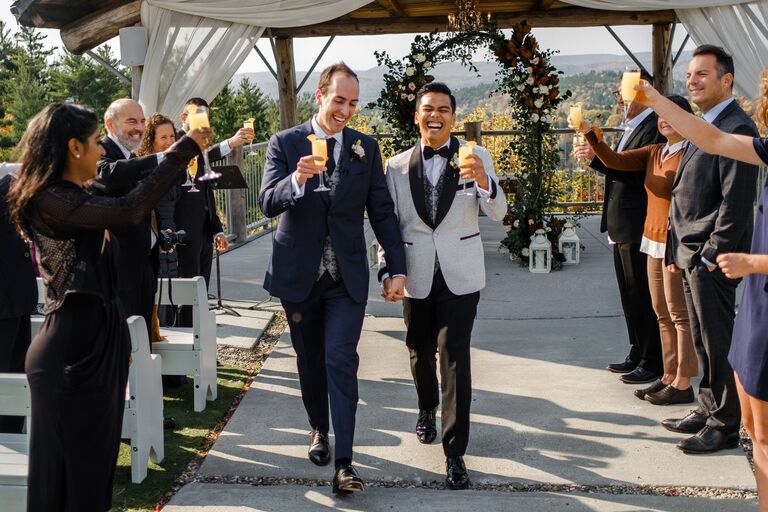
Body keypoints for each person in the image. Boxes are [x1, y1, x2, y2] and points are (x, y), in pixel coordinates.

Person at [6, 102, 207, 511]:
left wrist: (172, 154)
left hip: (98, 340)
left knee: (92, 476)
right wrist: (182, 150)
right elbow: (129, 209)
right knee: (71, 481)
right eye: (97, 142)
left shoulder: (75, 191)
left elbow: (127, 185)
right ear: (74, 147)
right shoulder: (50, 199)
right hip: (70, 352)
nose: (102, 151)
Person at [258, 62, 406, 494]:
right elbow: (267, 202)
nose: (346, 110)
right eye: (339, 100)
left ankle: (345, 464)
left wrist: (396, 266)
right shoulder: (283, 143)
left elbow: (381, 210)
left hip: (346, 276)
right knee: (309, 360)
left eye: (353, 103)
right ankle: (318, 428)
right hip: (299, 276)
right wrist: (296, 179)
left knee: (340, 359)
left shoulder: (366, 147)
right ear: (320, 96)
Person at [636, 60, 768, 509]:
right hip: (692, 252)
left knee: (719, 337)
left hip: (717, 257)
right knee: (703, 338)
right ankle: (710, 407)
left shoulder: (738, 125)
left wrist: (712, 253)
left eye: (701, 75)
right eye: (688, 75)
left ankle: (725, 423)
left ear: (727, 79)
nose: (691, 81)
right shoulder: (707, 125)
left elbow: (735, 200)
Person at [379, 82, 506, 489]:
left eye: (444, 110)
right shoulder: (396, 167)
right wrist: (387, 271)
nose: (436, 116)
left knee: (454, 357)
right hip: (415, 274)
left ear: (453, 115)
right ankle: (425, 408)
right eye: (428, 109)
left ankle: (455, 453)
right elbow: (389, 228)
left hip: (461, 274)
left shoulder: (477, 156)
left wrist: (485, 181)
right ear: (416, 115)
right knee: (419, 350)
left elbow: (500, 212)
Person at [570, 96, 698, 406]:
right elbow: (615, 161)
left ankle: (684, 380)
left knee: (679, 315)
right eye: (662, 115)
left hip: (673, 242)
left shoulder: (692, 153)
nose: (664, 119)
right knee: (661, 312)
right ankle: (668, 375)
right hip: (650, 238)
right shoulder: (656, 151)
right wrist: (590, 133)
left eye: (672, 114)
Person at [575, 74, 664, 385]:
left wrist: (596, 156)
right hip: (620, 222)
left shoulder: (657, 126)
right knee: (629, 295)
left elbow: (636, 173)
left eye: (623, 93)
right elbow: (618, 164)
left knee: (642, 294)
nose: (618, 99)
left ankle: (653, 360)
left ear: (644, 93)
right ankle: (637, 350)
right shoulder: (633, 127)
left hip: (636, 221)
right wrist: (596, 153)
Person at [174, 98, 252, 326]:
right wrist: (230, 142)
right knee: (187, 292)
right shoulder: (175, 142)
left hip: (203, 231)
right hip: (182, 230)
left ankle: (199, 338)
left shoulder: (200, 147)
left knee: (200, 288)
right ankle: (186, 338)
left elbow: (208, 193)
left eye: (205, 115)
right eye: (197, 114)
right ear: (183, 118)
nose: (202, 120)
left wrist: (216, 229)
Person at [98, 99, 169, 341]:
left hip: (144, 264)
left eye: (141, 121)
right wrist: (161, 158)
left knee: (144, 340)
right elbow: (108, 175)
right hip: (120, 269)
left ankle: (149, 379)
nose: (139, 127)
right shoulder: (101, 151)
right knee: (127, 343)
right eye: (131, 121)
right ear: (110, 123)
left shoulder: (132, 155)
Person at [0, 171, 37, 434]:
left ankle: (12, 438)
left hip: (18, 297)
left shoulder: (10, 185)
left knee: (16, 374)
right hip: (6, 299)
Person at [137, 113, 181, 332]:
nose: (169, 142)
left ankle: (168, 341)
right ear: (151, 139)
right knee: (156, 293)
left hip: (171, 235)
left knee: (170, 292)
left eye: (172, 136)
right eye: (163, 137)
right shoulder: (144, 167)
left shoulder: (173, 167)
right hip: (154, 238)